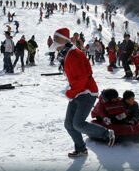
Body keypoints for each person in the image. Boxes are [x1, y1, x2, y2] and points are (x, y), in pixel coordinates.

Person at [49, 28, 115, 157]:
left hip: (87, 92)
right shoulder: (67, 53)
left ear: (64, 39)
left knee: (78, 124)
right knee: (69, 124)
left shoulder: (74, 54)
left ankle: (107, 133)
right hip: (78, 91)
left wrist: (71, 93)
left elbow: (83, 78)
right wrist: (72, 91)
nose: (55, 43)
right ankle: (81, 149)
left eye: (56, 39)